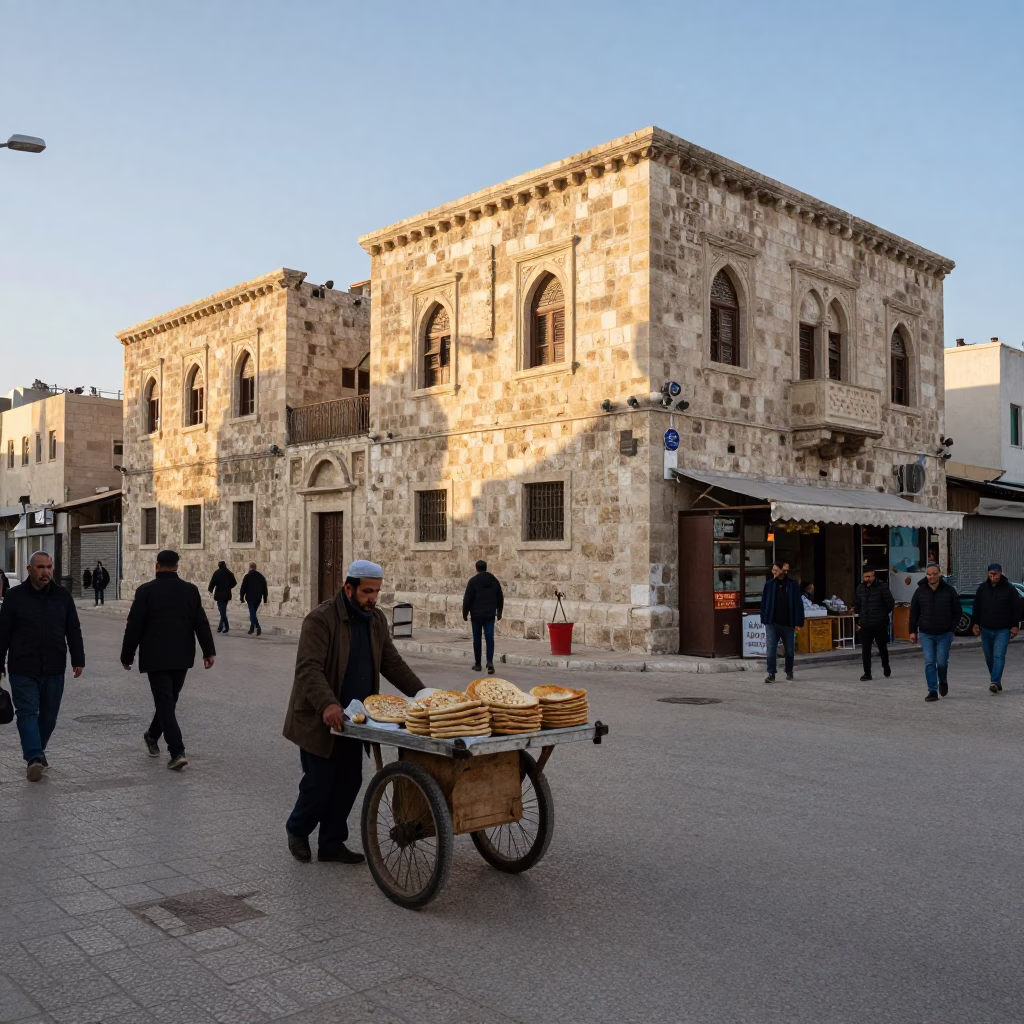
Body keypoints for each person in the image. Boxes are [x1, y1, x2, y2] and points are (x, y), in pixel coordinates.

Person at [283, 559, 423, 864]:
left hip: (355, 719)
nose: (373, 598)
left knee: (349, 782)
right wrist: (328, 704)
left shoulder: (376, 621)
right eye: (367, 591)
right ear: (349, 588)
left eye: (377, 592)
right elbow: (309, 669)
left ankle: (332, 843)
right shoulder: (320, 620)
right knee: (319, 783)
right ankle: (297, 829)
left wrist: (422, 693)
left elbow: (391, 662)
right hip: (319, 717)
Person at [120, 549, 216, 770]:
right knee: (166, 702)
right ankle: (177, 750)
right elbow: (200, 622)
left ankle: (152, 735)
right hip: (181, 656)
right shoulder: (190, 591)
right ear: (176, 566)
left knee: (168, 702)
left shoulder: (145, 591)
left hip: (156, 656)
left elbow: (134, 625)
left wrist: (127, 655)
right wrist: (208, 651)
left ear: (156, 566)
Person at [0, 551, 85, 781]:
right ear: (29, 570)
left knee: (48, 717)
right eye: (40, 567)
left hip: (54, 667)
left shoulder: (62, 596)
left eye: (48, 567)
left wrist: (78, 658)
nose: (45, 572)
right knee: (27, 713)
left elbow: (73, 629)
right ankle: (35, 757)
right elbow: (3, 632)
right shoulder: (14, 596)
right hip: (22, 668)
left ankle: (37, 751)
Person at [909, 563, 962, 703]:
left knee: (942, 663)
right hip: (926, 633)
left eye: (934, 574)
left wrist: (951, 628)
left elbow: (957, 611)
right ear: (926, 575)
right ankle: (932, 691)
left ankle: (942, 680)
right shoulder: (920, 591)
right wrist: (912, 631)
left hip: (944, 634)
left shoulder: (949, 590)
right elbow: (914, 612)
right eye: (929, 574)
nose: (932, 577)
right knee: (929, 662)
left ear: (940, 574)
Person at [971, 562, 1023, 694]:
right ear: (988, 574)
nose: (993, 576)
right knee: (989, 657)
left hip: (1003, 629)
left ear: (1000, 573)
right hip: (986, 628)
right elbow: (977, 607)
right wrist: (975, 623)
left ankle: (994, 682)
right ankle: (996, 680)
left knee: (998, 655)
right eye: (990, 573)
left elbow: (1015, 609)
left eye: (995, 573)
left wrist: (1015, 626)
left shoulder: (1010, 589)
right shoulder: (982, 589)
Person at [760, 561, 804, 684]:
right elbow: (764, 603)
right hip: (772, 623)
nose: (773, 572)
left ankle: (789, 670)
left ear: (781, 570)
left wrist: (798, 622)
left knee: (789, 649)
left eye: (775, 570)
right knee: (771, 649)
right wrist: (764, 618)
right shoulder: (769, 584)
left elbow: (798, 604)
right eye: (772, 570)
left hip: (788, 623)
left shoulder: (792, 584)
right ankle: (771, 673)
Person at [462, 559, 504, 674]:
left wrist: (465, 613)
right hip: (489, 614)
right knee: (489, 638)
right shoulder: (494, 580)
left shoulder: (473, 581)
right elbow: (500, 596)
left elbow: (468, 599)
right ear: (486, 567)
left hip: (476, 615)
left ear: (476, 568)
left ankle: (478, 664)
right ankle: (489, 662)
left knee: (477, 639)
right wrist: (499, 611)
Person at [854, 569, 895, 681]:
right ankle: (867, 673)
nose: (867, 579)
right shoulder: (860, 588)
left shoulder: (882, 587)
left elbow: (890, 603)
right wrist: (858, 614)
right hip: (865, 624)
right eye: (865, 576)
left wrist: (882, 615)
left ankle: (886, 666)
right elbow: (858, 603)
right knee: (865, 650)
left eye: (869, 576)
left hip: (879, 623)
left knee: (882, 648)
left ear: (874, 576)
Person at [239, 561, 269, 636]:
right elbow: (265, 589)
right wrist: (265, 599)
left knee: (252, 614)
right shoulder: (261, 577)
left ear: (250, 567)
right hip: (258, 598)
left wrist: (241, 597)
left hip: (250, 597)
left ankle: (257, 626)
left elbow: (243, 588)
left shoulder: (247, 576)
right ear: (255, 568)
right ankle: (251, 629)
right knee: (253, 613)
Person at [207, 560, 236, 634]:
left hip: (219, 593)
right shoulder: (229, 573)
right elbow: (234, 582)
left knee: (222, 610)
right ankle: (224, 626)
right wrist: (229, 587)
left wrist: (210, 589)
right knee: (222, 610)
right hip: (226, 594)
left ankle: (224, 626)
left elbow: (212, 582)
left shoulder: (217, 573)